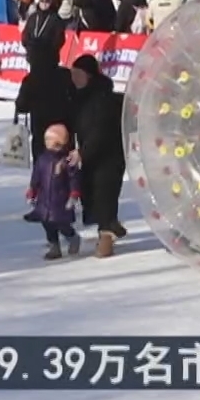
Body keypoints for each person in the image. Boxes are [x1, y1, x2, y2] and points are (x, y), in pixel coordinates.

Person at [69, 55, 128, 256]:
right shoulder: (78, 97)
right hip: (91, 155)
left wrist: (83, 152)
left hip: (110, 155)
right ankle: (110, 226)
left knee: (105, 195)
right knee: (91, 194)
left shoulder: (103, 98)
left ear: (89, 76)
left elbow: (101, 131)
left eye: (79, 75)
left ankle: (106, 236)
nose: (75, 79)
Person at [26, 124, 84, 260]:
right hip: (44, 200)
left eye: (50, 140)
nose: (47, 143)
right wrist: (32, 190)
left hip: (61, 200)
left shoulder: (68, 159)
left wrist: (74, 194)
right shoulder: (42, 159)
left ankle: (72, 237)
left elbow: (74, 178)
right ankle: (54, 246)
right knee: (47, 224)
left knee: (61, 223)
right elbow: (36, 176)